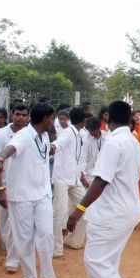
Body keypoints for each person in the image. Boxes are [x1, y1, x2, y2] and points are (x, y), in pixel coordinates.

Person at [66, 100, 140, 278]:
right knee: (107, 262)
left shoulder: (113, 143)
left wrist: (78, 210)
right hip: (126, 210)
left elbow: (100, 181)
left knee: (95, 261)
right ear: (130, 118)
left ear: (107, 117)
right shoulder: (132, 141)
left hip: (113, 213)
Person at [0, 102, 57, 278]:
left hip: (43, 194)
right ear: (45, 119)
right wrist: (0, 158)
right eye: (52, 118)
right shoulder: (23, 135)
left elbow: (46, 153)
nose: (53, 121)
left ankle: (46, 277)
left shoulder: (45, 136)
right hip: (21, 195)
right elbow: (10, 149)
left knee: (47, 234)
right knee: (24, 239)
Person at [0, 103, 30, 273]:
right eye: (18, 114)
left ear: (28, 117)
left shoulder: (31, 135)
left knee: (18, 224)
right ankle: (11, 251)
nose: (21, 118)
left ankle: (13, 259)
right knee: (5, 223)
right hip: (4, 185)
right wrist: (0, 190)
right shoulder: (1, 135)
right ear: (11, 115)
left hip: (22, 187)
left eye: (24, 115)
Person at [52, 107, 87, 256]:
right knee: (60, 213)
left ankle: (73, 240)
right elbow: (57, 144)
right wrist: (50, 148)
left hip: (74, 178)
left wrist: (81, 175)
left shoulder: (79, 134)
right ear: (83, 120)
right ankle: (55, 249)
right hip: (61, 178)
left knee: (86, 209)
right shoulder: (67, 133)